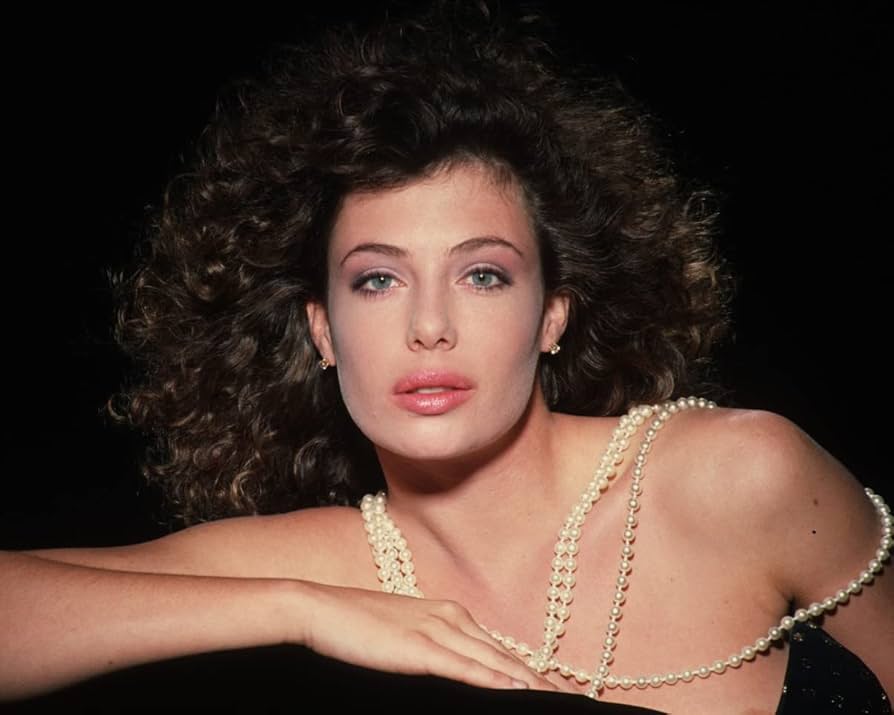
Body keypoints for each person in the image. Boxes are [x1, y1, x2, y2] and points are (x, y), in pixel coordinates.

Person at [1, 3, 891, 713]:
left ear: (551, 315)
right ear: (322, 331)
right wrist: (295, 608)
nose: (429, 326)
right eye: (378, 280)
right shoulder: (316, 567)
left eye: (483, 274)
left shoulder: (739, 478)